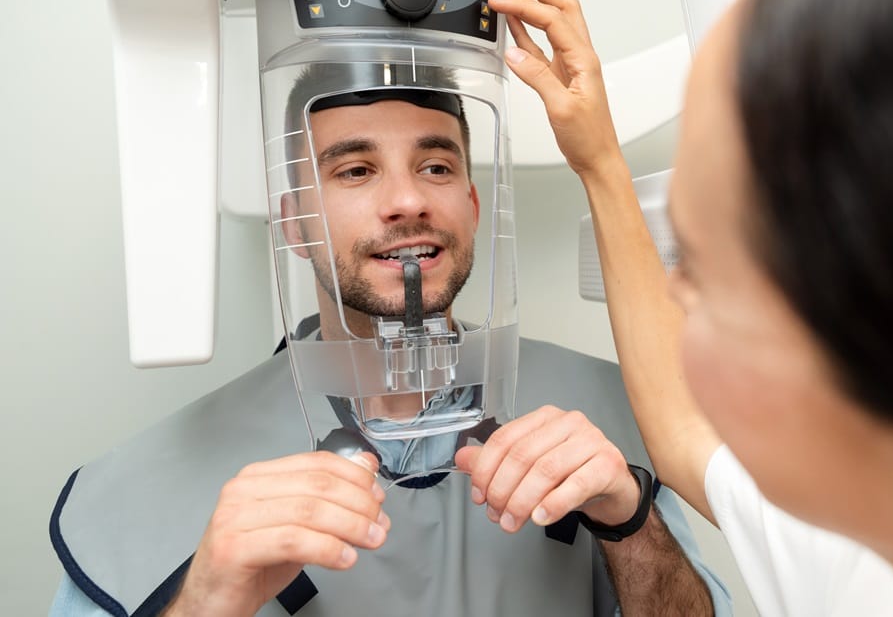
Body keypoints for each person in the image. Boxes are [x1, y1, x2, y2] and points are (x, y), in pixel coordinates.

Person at [48, 60, 731, 615]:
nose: (408, 200)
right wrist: (199, 605)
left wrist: (632, 521)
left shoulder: (608, 420)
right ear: (293, 221)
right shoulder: (156, 483)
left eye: (436, 166)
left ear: (471, 204)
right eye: (356, 169)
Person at [485, 0, 893, 615]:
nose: (675, 298)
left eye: (700, 271)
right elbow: (684, 424)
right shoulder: (884, 525)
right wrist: (600, 160)